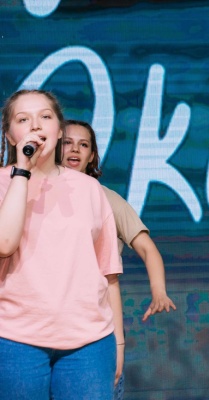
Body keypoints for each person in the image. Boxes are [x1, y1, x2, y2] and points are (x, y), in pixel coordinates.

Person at [0, 89, 123, 399]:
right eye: (23, 119)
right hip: (15, 338)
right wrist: (22, 172)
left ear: (58, 130)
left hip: (90, 342)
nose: (35, 125)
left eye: (45, 117)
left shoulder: (89, 188)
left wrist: (119, 342)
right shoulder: (3, 182)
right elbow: (4, 243)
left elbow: (107, 272)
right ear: (10, 136)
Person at [61, 119, 176, 399]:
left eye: (83, 144)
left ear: (92, 156)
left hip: (96, 326)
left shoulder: (107, 200)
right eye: (67, 142)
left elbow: (146, 249)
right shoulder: (35, 195)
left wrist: (159, 291)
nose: (74, 149)